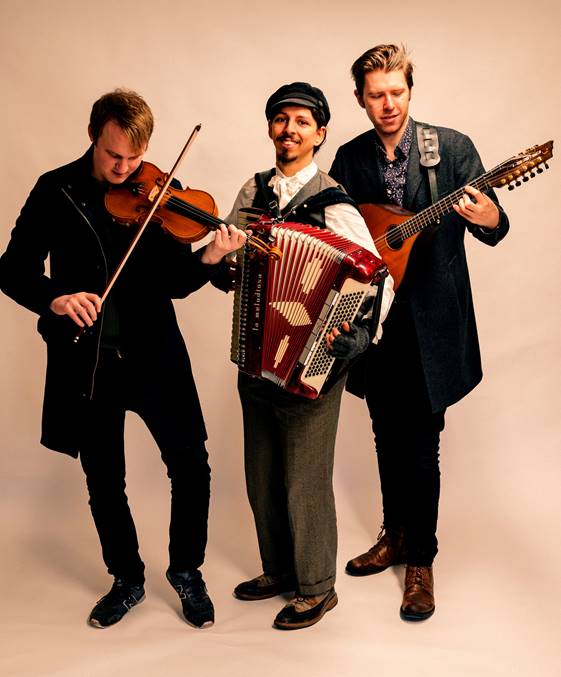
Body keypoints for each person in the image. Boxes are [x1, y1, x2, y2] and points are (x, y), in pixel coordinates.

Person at [0, 89, 246, 629]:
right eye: (114, 155)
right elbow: (11, 270)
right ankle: (127, 578)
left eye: (135, 157)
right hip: (89, 360)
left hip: (156, 353)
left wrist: (209, 257)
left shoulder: (162, 193)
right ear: (94, 135)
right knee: (104, 478)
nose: (125, 168)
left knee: (191, 464)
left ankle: (186, 571)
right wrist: (55, 298)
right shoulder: (55, 190)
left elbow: (175, 282)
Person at [329, 44, 510, 621]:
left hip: (432, 322)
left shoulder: (451, 149)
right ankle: (396, 534)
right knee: (385, 431)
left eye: (397, 92)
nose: (388, 104)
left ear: (410, 90)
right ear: (360, 99)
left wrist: (490, 217)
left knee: (422, 442)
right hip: (374, 321)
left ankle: (422, 562)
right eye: (376, 95)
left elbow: (494, 225)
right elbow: (336, 234)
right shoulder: (350, 158)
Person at [224, 82, 394, 630]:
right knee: (261, 474)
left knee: (304, 478)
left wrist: (362, 336)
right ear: (270, 128)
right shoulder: (251, 192)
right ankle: (279, 569)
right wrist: (222, 263)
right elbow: (229, 266)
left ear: (319, 134)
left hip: (313, 359)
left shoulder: (333, 200)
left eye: (301, 122)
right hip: (257, 354)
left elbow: (377, 276)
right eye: (281, 119)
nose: (289, 130)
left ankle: (317, 587)